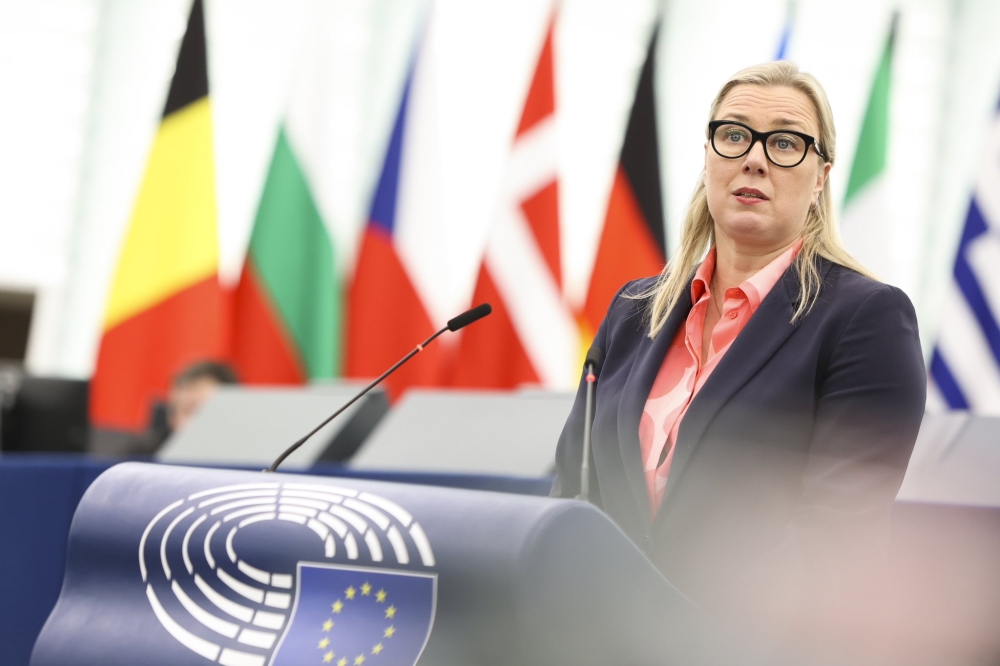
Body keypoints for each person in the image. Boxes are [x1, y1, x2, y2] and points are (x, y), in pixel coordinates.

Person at [552, 61, 925, 662]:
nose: (754, 159)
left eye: (785, 142)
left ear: (821, 176)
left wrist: (667, 629)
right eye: (734, 135)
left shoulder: (866, 319)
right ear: (708, 155)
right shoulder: (633, 310)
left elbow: (834, 540)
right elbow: (572, 488)